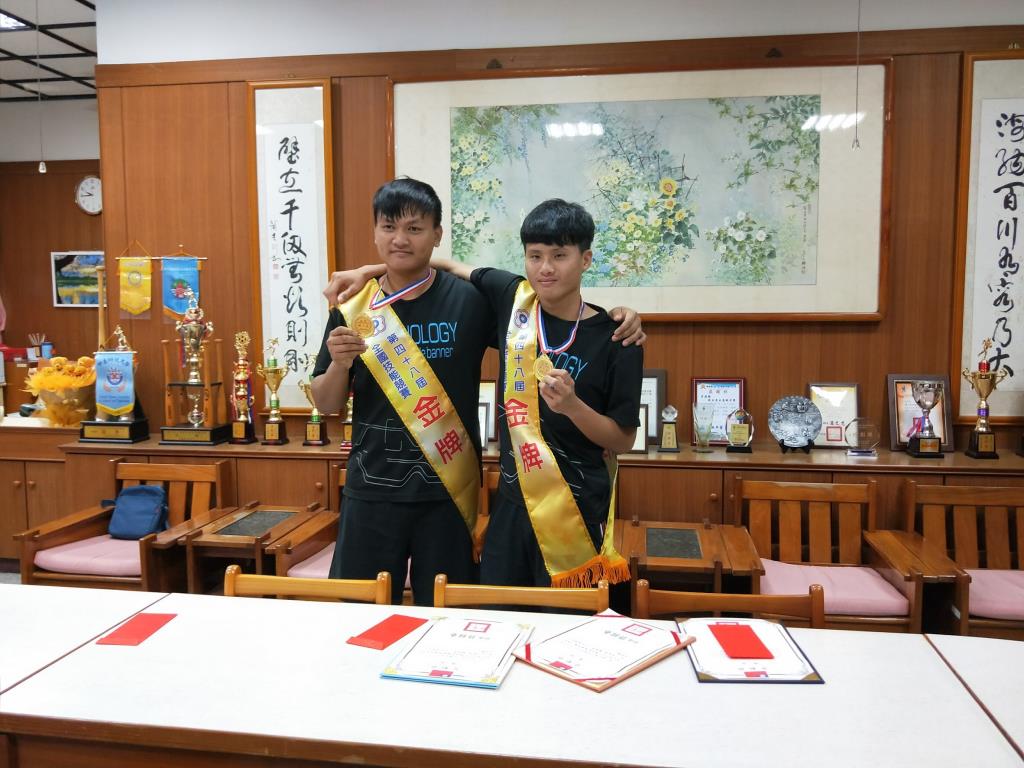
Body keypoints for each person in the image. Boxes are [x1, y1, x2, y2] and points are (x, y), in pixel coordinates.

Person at [314, 179, 643, 603]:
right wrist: (342, 355)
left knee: (455, 618)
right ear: (375, 232)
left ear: (437, 234)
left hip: (452, 496)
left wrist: (623, 316)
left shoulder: (472, 300)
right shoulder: (353, 305)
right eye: (388, 227)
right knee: (361, 614)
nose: (400, 239)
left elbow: (535, 308)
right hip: (371, 489)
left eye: (415, 229)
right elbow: (326, 404)